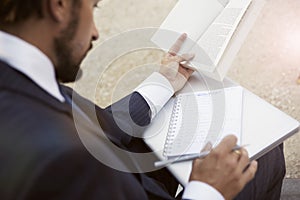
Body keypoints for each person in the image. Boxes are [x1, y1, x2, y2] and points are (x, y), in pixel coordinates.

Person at [0, 0, 285, 199]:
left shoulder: (16, 78)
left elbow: (93, 130)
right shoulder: (65, 160)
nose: (97, 32)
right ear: (58, 4)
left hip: (128, 176)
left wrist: (163, 84)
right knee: (263, 153)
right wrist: (207, 190)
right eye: (93, 6)